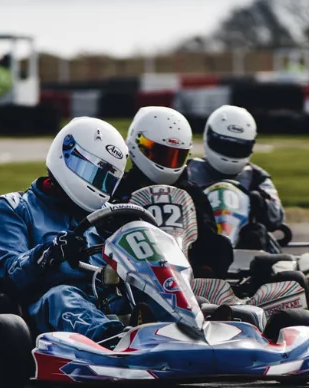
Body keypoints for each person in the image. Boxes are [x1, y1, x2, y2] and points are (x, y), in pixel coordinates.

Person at [0, 117, 131, 342]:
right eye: (93, 174)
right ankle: (112, 342)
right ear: (67, 157)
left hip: (104, 299)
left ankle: (182, 329)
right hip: (43, 307)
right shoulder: (13, 208)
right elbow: (11, 276)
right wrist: (50, 252)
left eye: (106, 181)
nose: (99, 188)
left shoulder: (111, 215)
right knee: (62, 296)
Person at [113, 106, 232, 277]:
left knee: (221, 246)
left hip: (186, 280)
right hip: (130, 276)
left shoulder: (191, 193)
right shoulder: (120, 190)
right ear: (137, 143)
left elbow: (210, 243)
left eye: (176, 156)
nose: (168, 163)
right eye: (160, 153)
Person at [186, 105, 284, 250]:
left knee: (257, 233)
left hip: (246, 248)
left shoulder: (256, 177)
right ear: (209, 136)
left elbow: (276, 217)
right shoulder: (188, 171)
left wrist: (259, 203)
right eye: (224, 145)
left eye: (237, 148)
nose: (229, 153)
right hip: (197, 244)